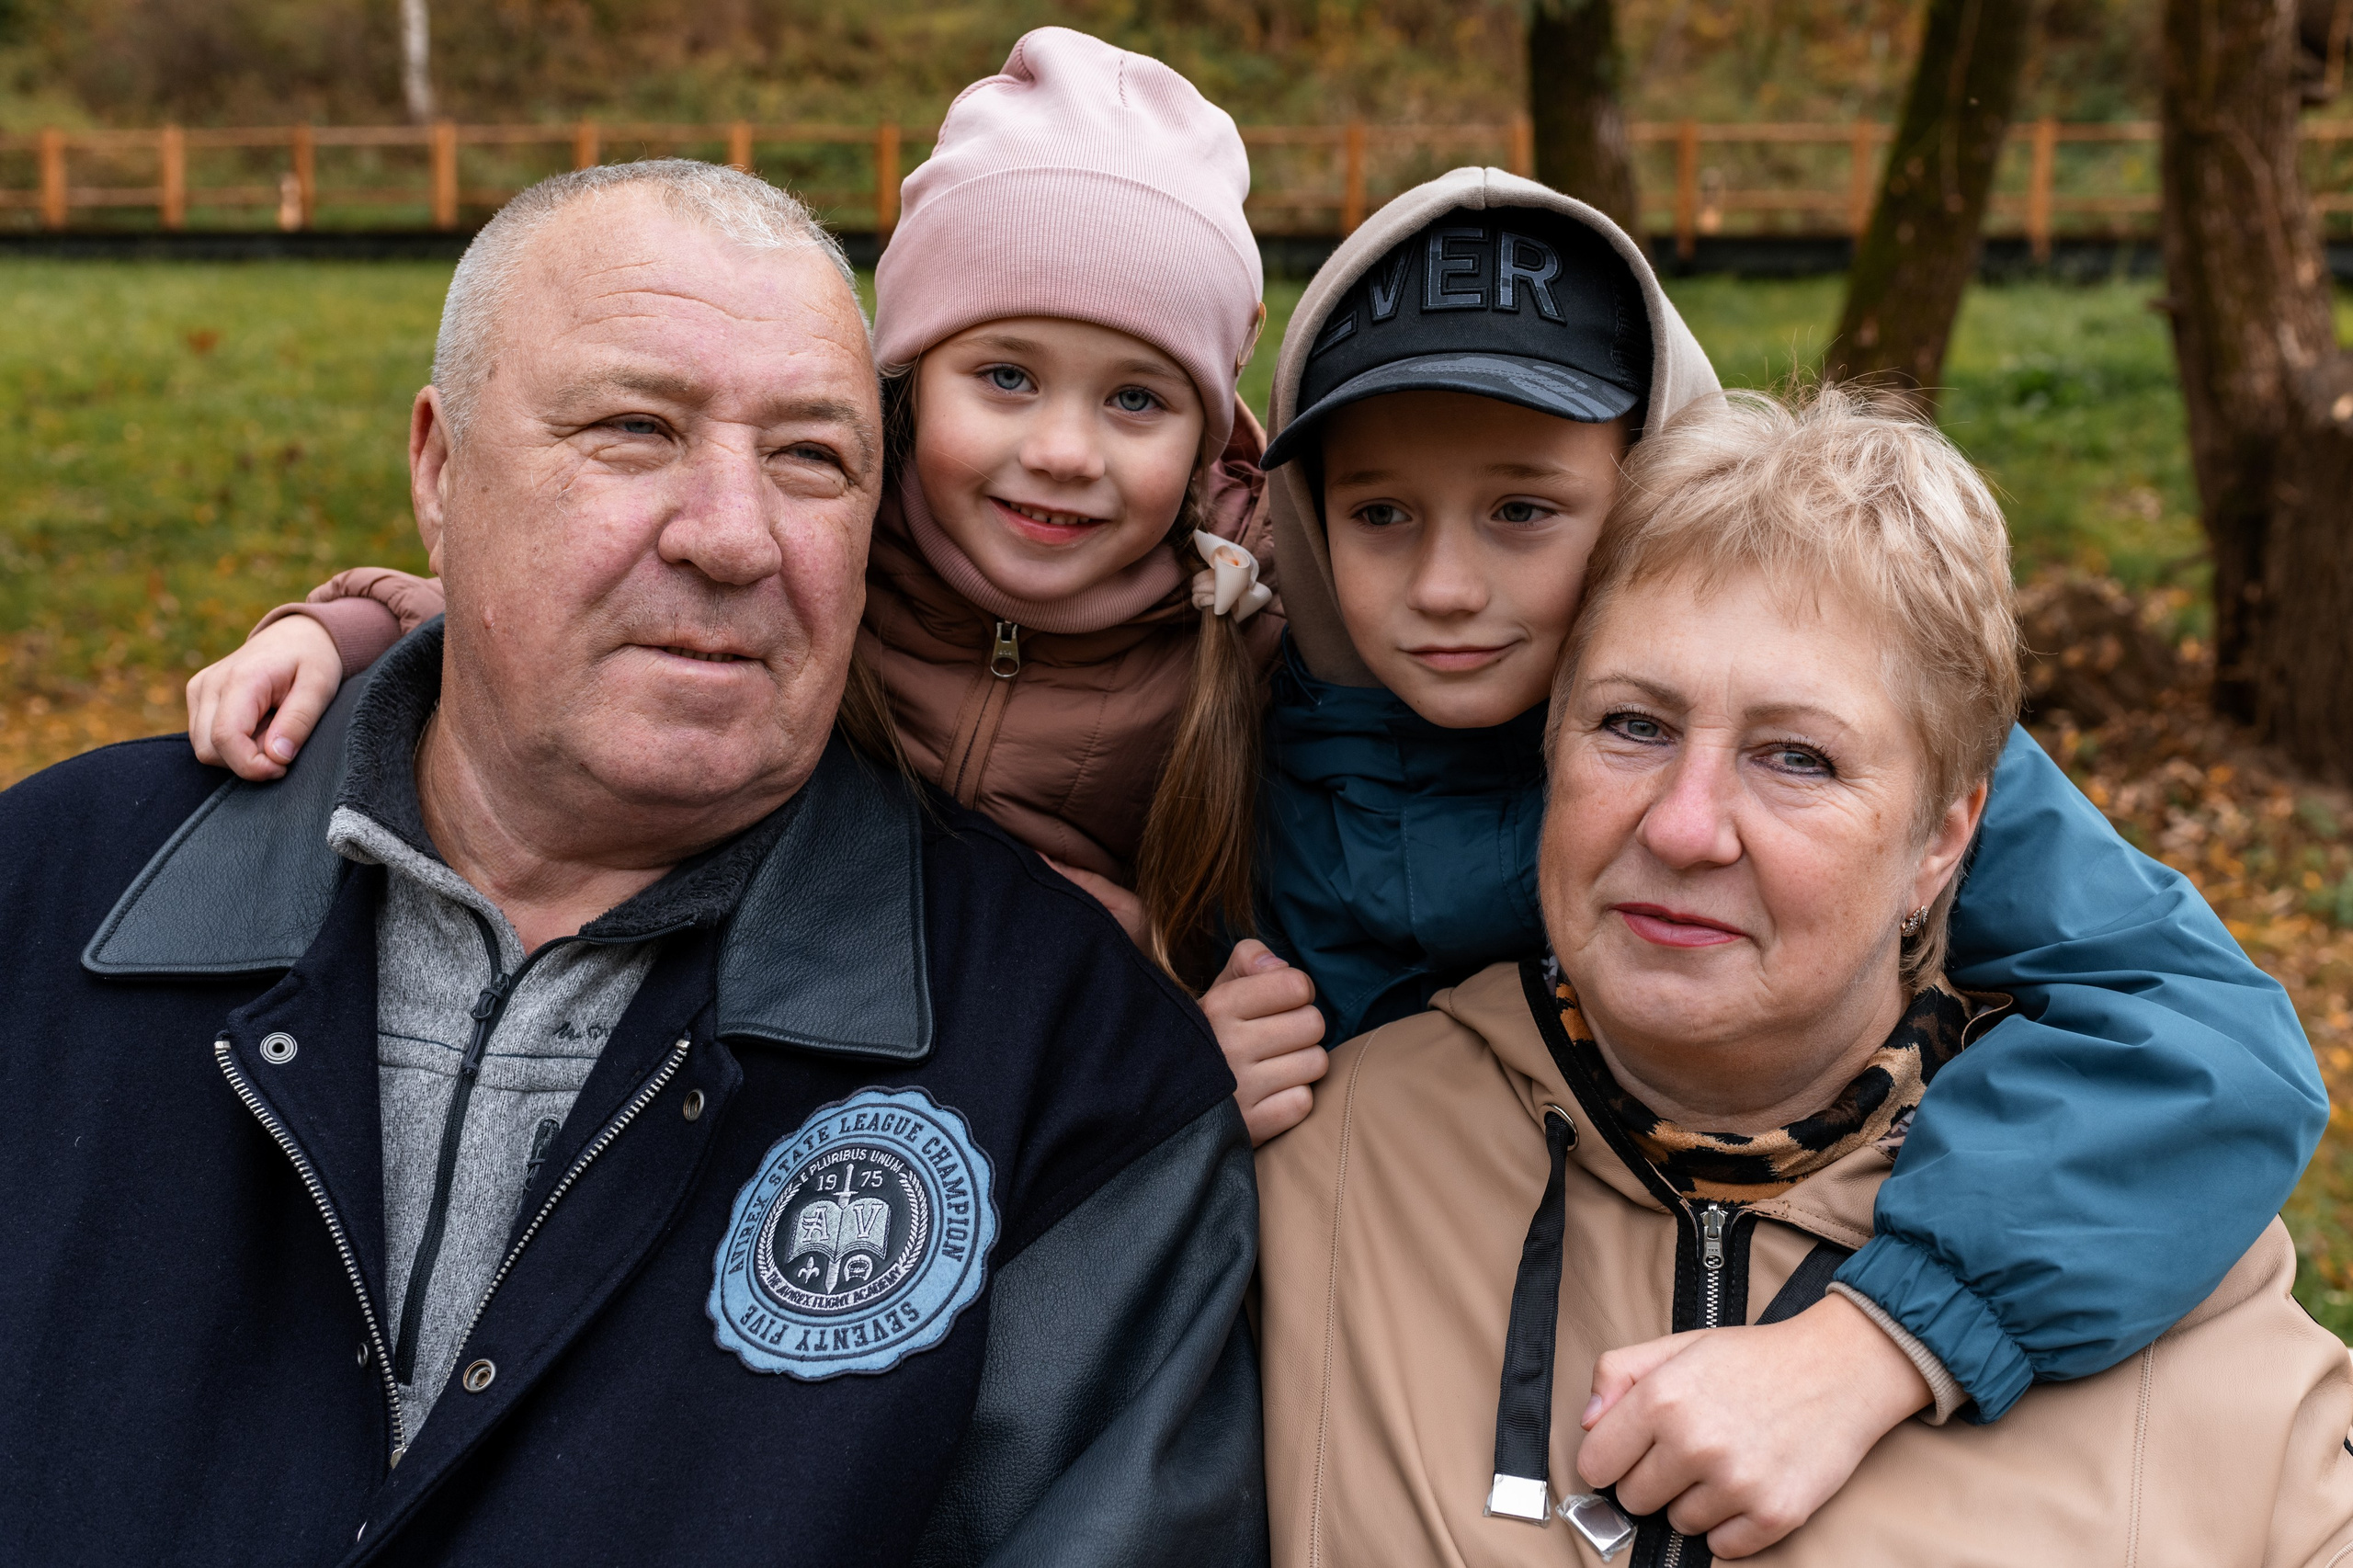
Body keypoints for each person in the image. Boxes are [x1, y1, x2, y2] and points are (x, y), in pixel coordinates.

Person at [190, 157, 2329, 1544]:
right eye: (1378, 518)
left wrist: (1876, 1337)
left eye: (1524, 514)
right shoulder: (1246, 699)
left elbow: (2207, 1036)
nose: (1452, 586)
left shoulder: (1798, 704)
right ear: (1287, 515)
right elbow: (736, 635)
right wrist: (392, 624)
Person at [0, 160, 1265, 1567]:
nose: (731, 534)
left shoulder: (1078, 1075)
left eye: (811, 458)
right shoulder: (49, 903)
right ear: (439, 468)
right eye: (634, 429)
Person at [1255, 387, 2353, 1565]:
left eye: (1796, 756)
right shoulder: (1313, 1173)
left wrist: (1889, 1343)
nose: (1684, 826)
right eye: (1632, 725)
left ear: (1942, 839)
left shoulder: (2175, 1271)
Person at [188, 26, 1285, 980]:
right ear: (903, 389)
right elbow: (561, 614)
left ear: (1205, 439)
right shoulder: (838, 553)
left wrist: (1176, 1028)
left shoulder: (1246, 627)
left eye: (1136, 398)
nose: (1060, 451)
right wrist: (345, 630)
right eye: (1006, 377)